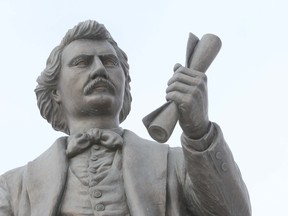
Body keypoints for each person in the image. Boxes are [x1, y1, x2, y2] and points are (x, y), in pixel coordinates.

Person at [0, 20, 251, 216]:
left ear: (125, 82)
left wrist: (199, 133)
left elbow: (233, 212)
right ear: (55, 90)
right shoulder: (12, 188)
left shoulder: (176, 165)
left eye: (109, 62)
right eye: (82, 62)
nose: (99, 69)